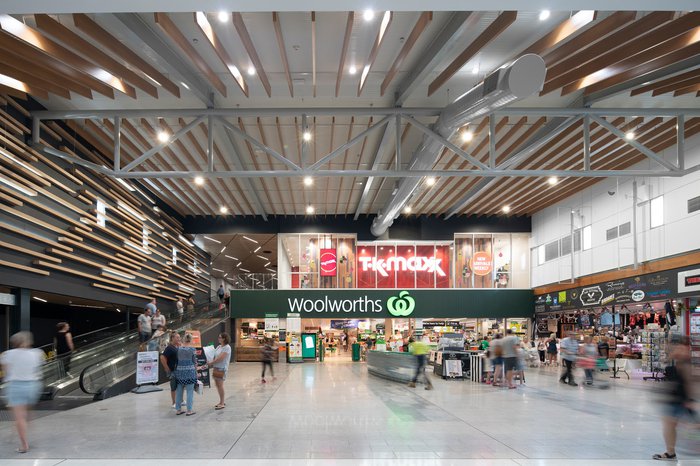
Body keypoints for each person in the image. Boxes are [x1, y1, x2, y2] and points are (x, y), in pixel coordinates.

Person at [653, 337, 697, 461]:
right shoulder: (676, 362)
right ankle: (670, 452)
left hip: (682, 400)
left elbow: (690, 382)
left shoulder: (687, 363)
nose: (676, 350)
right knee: (670, 425)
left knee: (677, 425)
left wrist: (691, 400)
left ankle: (671, 452)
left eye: (680, 347)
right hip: (675, 399)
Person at [0, 331, 44, 453]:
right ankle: (25, 422)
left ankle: (24, 445)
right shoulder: (37, 353)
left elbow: (6, 372)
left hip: (16, 386)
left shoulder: (7, 355)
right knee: (26, 411)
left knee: (19, 417)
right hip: (33, 386)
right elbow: (38, 369)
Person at [174, 333, 199, 416]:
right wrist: (196, 372)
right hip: (190, 372)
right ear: (191, 340)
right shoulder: (192, 349)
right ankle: (189, 410)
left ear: (184, 339)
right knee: (189, 391)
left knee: (179, 391)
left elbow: (177, 360)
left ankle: (178, 410)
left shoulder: (178, 349)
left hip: (180, 372)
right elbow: (194, 362)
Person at [209, 333, 231, 409]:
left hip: (221, 368)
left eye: (220, 337)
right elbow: (214, 356)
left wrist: (211, 363)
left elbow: (220, 358)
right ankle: (221, 401)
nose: (218, 338)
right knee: (217, 385)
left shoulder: (227, 347)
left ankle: (222, 403)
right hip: (216, 367)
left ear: (224, 339)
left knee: (220, 385)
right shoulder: (219, 347)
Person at [160, 332, 181, 409]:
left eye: (179, 337)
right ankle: (174, 402)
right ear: (172, 338)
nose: (179, 339)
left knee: (180, 386)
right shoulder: (169, 348)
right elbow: (162, 357)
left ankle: (181, 400)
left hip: (179, 370)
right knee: (173, 387)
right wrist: (166, 368)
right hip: (173, 371)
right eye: (177, 337)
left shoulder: (177, 346)